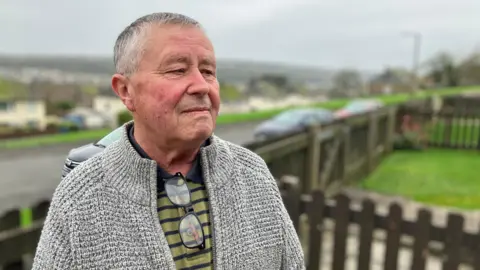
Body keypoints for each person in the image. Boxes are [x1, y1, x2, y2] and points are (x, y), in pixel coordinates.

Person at [32, 12, 305, 270]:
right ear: (126, 91)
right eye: (177, 70)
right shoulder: (80, 198)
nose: (202, 85)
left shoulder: (252, 174)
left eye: (208, 71)